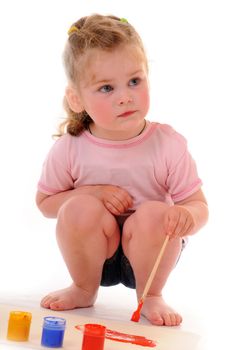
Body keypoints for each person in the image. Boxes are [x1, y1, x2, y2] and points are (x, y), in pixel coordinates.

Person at [36, 14, 208, 327]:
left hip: (150, 256)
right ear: (76, 98)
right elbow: (46, 203)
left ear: (148, 77)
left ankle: (151, 296)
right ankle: (83, 288)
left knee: (156, 213)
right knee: (77, 207)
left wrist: (188, 216)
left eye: (134, 81)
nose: (125, 96)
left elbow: (198, 205)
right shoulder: (71, 147)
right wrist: (89, 192)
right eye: (106, 88)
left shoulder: (166, 144)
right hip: (95, 257)